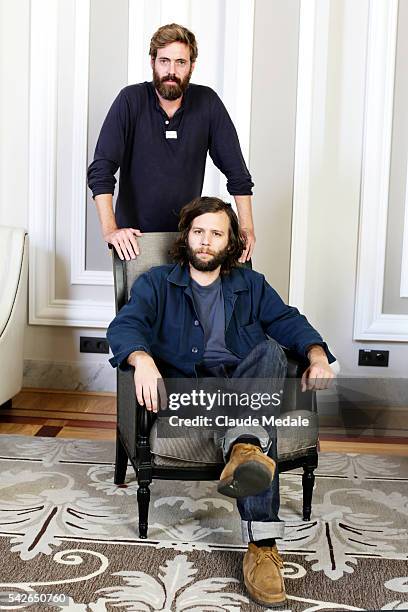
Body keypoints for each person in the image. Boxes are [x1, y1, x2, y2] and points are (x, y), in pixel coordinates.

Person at [107, 196, 336, 607]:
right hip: (192, 393)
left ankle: (245, 459)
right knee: (257, 418)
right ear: (187, 236)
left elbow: (288, 321)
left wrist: (317, 354)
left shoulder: (250, 284)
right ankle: (259, 518)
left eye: (216, 233)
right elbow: (127, 324)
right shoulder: (157, 282)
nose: (206, 241)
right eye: (199, 232)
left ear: (230, 243)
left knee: (270, 351)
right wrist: (141, 360)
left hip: (245, 386)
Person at [87, 23, 255, 263]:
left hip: (189, 240)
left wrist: (247, 227)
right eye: (164, 61)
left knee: (198, 299)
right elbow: (101, 170)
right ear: (152, 62)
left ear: (192, 66)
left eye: (180, 62)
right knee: (141, 301)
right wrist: (110, 230)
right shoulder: (130, 101)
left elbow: (237, 172)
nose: (171, 71)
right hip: (135, 241)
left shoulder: (207, 103)